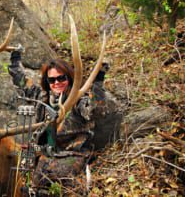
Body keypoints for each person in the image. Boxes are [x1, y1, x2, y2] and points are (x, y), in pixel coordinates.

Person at [9, 49, 122, 196]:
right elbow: (23, 81)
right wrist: (15, 60)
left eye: (61, 78)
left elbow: (97, 109)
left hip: (70, 154)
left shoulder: (79, 101)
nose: (57, 83)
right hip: (42, 151)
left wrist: (98, 80)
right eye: (52, 80)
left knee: (45, 171)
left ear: (69, 78)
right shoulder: (41, 98)